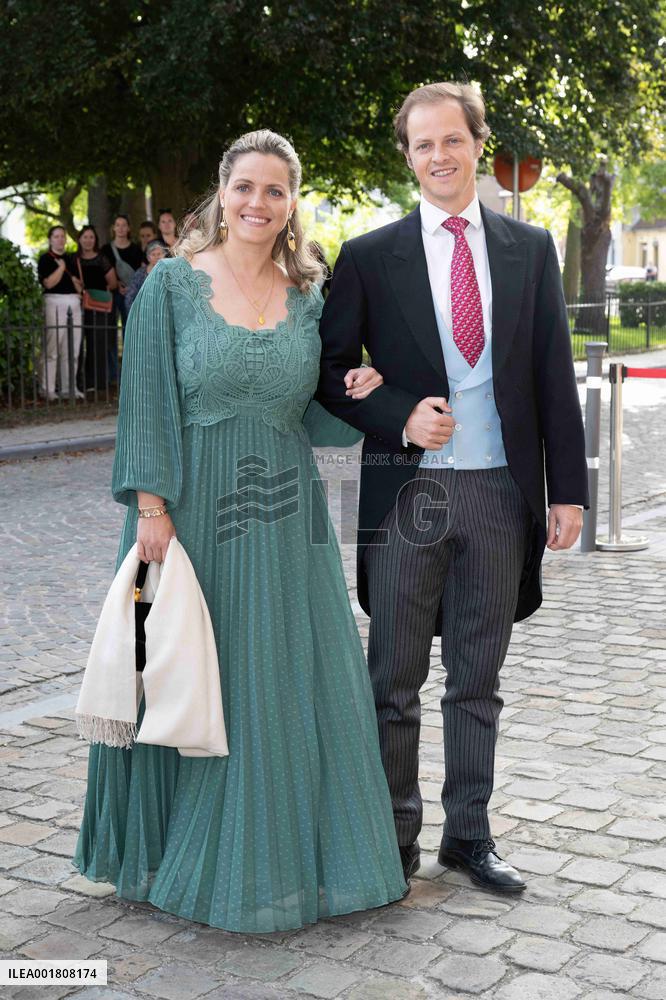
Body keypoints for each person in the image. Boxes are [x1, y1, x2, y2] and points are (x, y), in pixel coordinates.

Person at [73, 129, 407, 932]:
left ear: (293, 204)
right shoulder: (173, 288)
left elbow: (319, 409)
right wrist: (151, 510)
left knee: (278, 678)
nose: (258, 203)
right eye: (244, 187)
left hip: (286, 513)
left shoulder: (311, 295)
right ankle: (163, 852)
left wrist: (361, 387)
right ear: (220, 194)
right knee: (187, 668)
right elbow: (147, 399)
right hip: (187, 513)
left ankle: (283, 857)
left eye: (275, 190)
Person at [317, 82, 588, 894]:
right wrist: (400, 416)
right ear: (409, 157)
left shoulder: (528, 248)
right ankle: (390, 842)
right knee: (392, 682)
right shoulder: (369, 256)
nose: (439, 155)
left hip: (500, 496)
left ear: (478, 143)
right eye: (422, 144)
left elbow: (551, 376)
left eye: (452, 140)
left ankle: (468, 837)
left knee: (477, 679)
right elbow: (328, 375)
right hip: (409, 498)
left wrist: (566, 490)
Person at [36, 225, 83, 400]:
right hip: (54, 301)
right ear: (50, 239)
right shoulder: (45, 259)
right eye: (56, 236)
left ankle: (69, 388)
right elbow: (48, 284)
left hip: (74, 301)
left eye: (62, 236)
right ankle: (48, 389)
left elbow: (80, 286)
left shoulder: (72, 259)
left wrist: (73, 278)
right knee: (52, 348)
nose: (60, 239)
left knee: (72, 349)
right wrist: (61, 268)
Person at [74, 225, 117, 393]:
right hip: (78, 307)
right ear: (79, 239)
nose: (88, 240)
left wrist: (99, 293)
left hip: (98, 308)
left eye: (91, 237)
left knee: (97, 345)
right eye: (85, 237)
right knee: (77, 345)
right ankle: (79, 382)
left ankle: (97, 383)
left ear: (95, 240)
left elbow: (112, 283)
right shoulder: (74, 259)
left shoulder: (102, 258)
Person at [101, 214, 144, 336]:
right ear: (113, 228)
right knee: (110, 328)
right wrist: (116, 284)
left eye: (124, 225)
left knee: (130, 327)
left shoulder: (136, 249)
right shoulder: (105, 250)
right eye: (118, 225)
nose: (121, 228)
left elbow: (140, 272)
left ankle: (128, 355)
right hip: (112, 293)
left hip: (132, 293)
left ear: (129, 228)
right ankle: (111, 355)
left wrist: (130, 287)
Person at [124, 239, 166, 313]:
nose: (157, 257)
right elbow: (130, 296)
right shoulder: (140, 273)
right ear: (148, 257)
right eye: (153, 254)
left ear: (164, 255)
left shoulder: (169, 272)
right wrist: (134, 314)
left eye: (159, 254)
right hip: (143, 312)